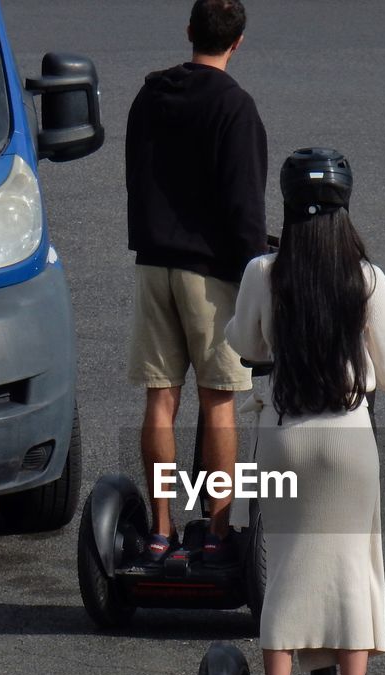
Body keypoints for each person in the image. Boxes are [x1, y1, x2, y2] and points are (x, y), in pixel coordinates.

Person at [224, 148, 385, 675]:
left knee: (285, 570)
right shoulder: (366, 278)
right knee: (353, 570)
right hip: (347, 437)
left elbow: (242, 344)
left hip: (286, 437)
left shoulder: (264, 272)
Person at [125, 0, 267, 564]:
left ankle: (160, 531)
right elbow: (243, 206)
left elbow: (137, 173)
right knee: (219, 404)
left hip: (153, 264)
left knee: (161, 400)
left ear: (189, 32)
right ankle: (215, 531)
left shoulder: (149, 95)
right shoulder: (235, 107)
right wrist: (255, 269)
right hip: (209, 275)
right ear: (238, 42)